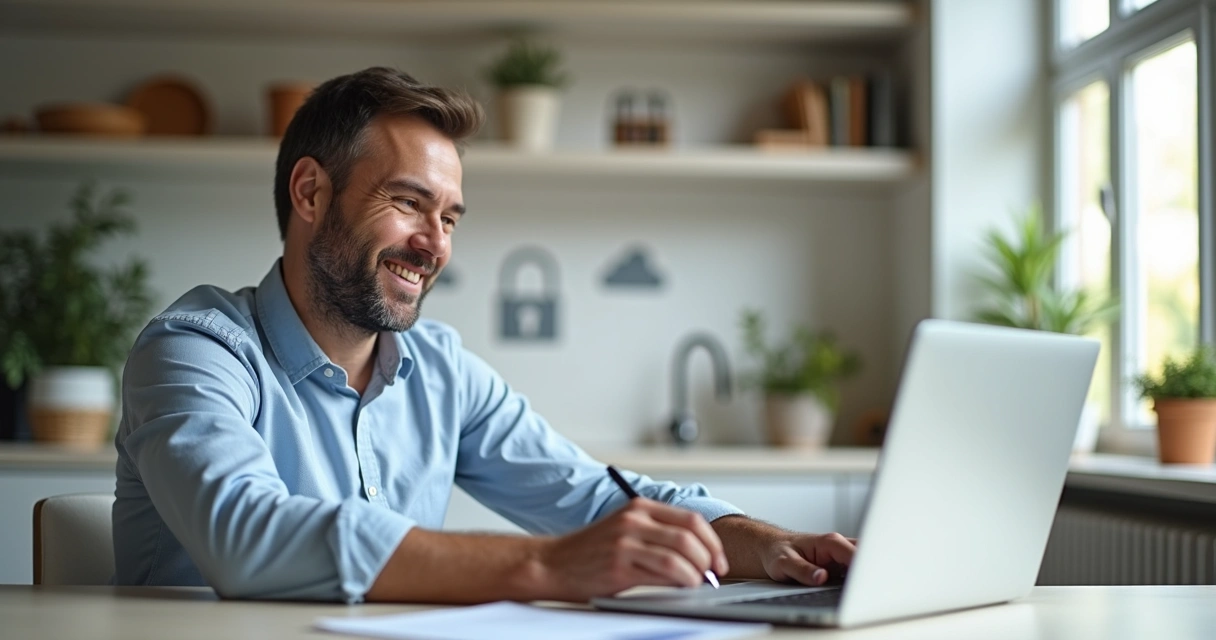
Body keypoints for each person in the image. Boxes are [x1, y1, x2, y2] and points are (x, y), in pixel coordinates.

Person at [112, 67, 856, 603]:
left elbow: (599, 500)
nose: (435, 244)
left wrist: (766, 544)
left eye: (450, 217)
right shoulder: (194, 351)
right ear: (310, 192)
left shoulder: (439, 369)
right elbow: (247, 536)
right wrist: (548, 566)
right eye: (409, 203)